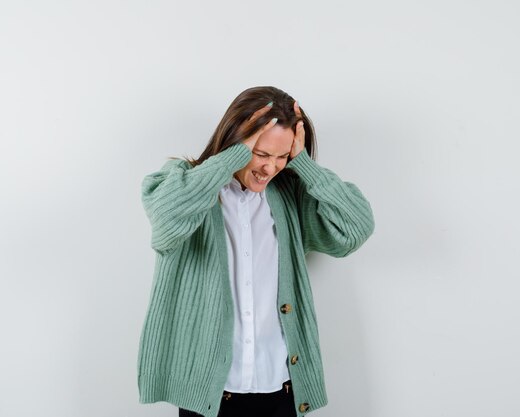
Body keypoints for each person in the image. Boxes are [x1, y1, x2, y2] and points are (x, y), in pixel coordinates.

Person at [137, 86, 374, 417]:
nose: (270, 168)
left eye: (282, 156)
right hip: (211, 395)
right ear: (236, 139)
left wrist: (303, 164)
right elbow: (165, 222)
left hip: (282, 389)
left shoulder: (290, 196)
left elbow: (355, 228)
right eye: (261, 155)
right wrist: (234, 155)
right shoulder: (183, 182)